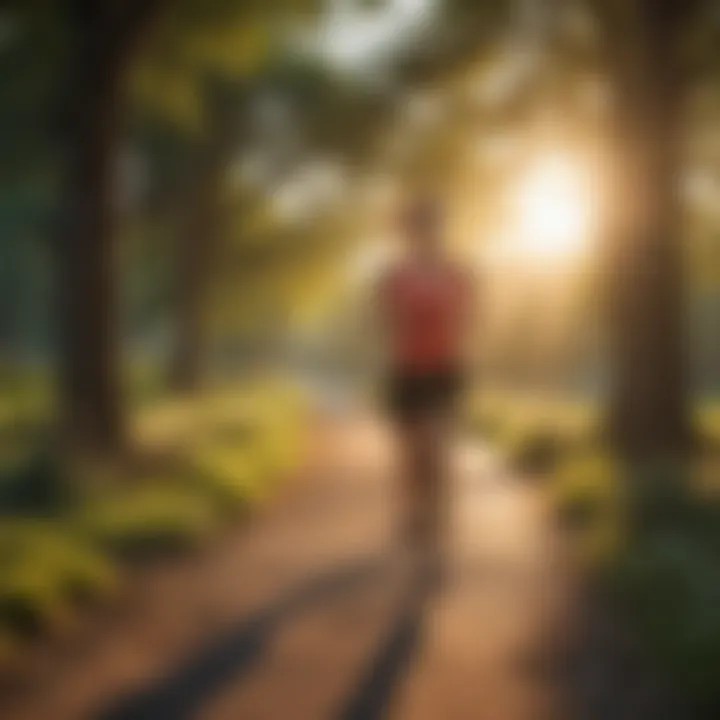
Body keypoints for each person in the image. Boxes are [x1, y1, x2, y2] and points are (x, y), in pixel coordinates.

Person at [376, 192, 476, 586]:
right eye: (416, 227)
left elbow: (468, 318)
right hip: (406, 371)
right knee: (411, 450)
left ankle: (440, 524)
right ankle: (414, 510)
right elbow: (386, 322)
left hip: (445, 370)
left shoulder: (459, 273)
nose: (424, 234)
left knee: (437, 443)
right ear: (408, 233)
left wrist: (453, 350)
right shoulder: (393, 277)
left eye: (431, 225)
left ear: (440, 229)